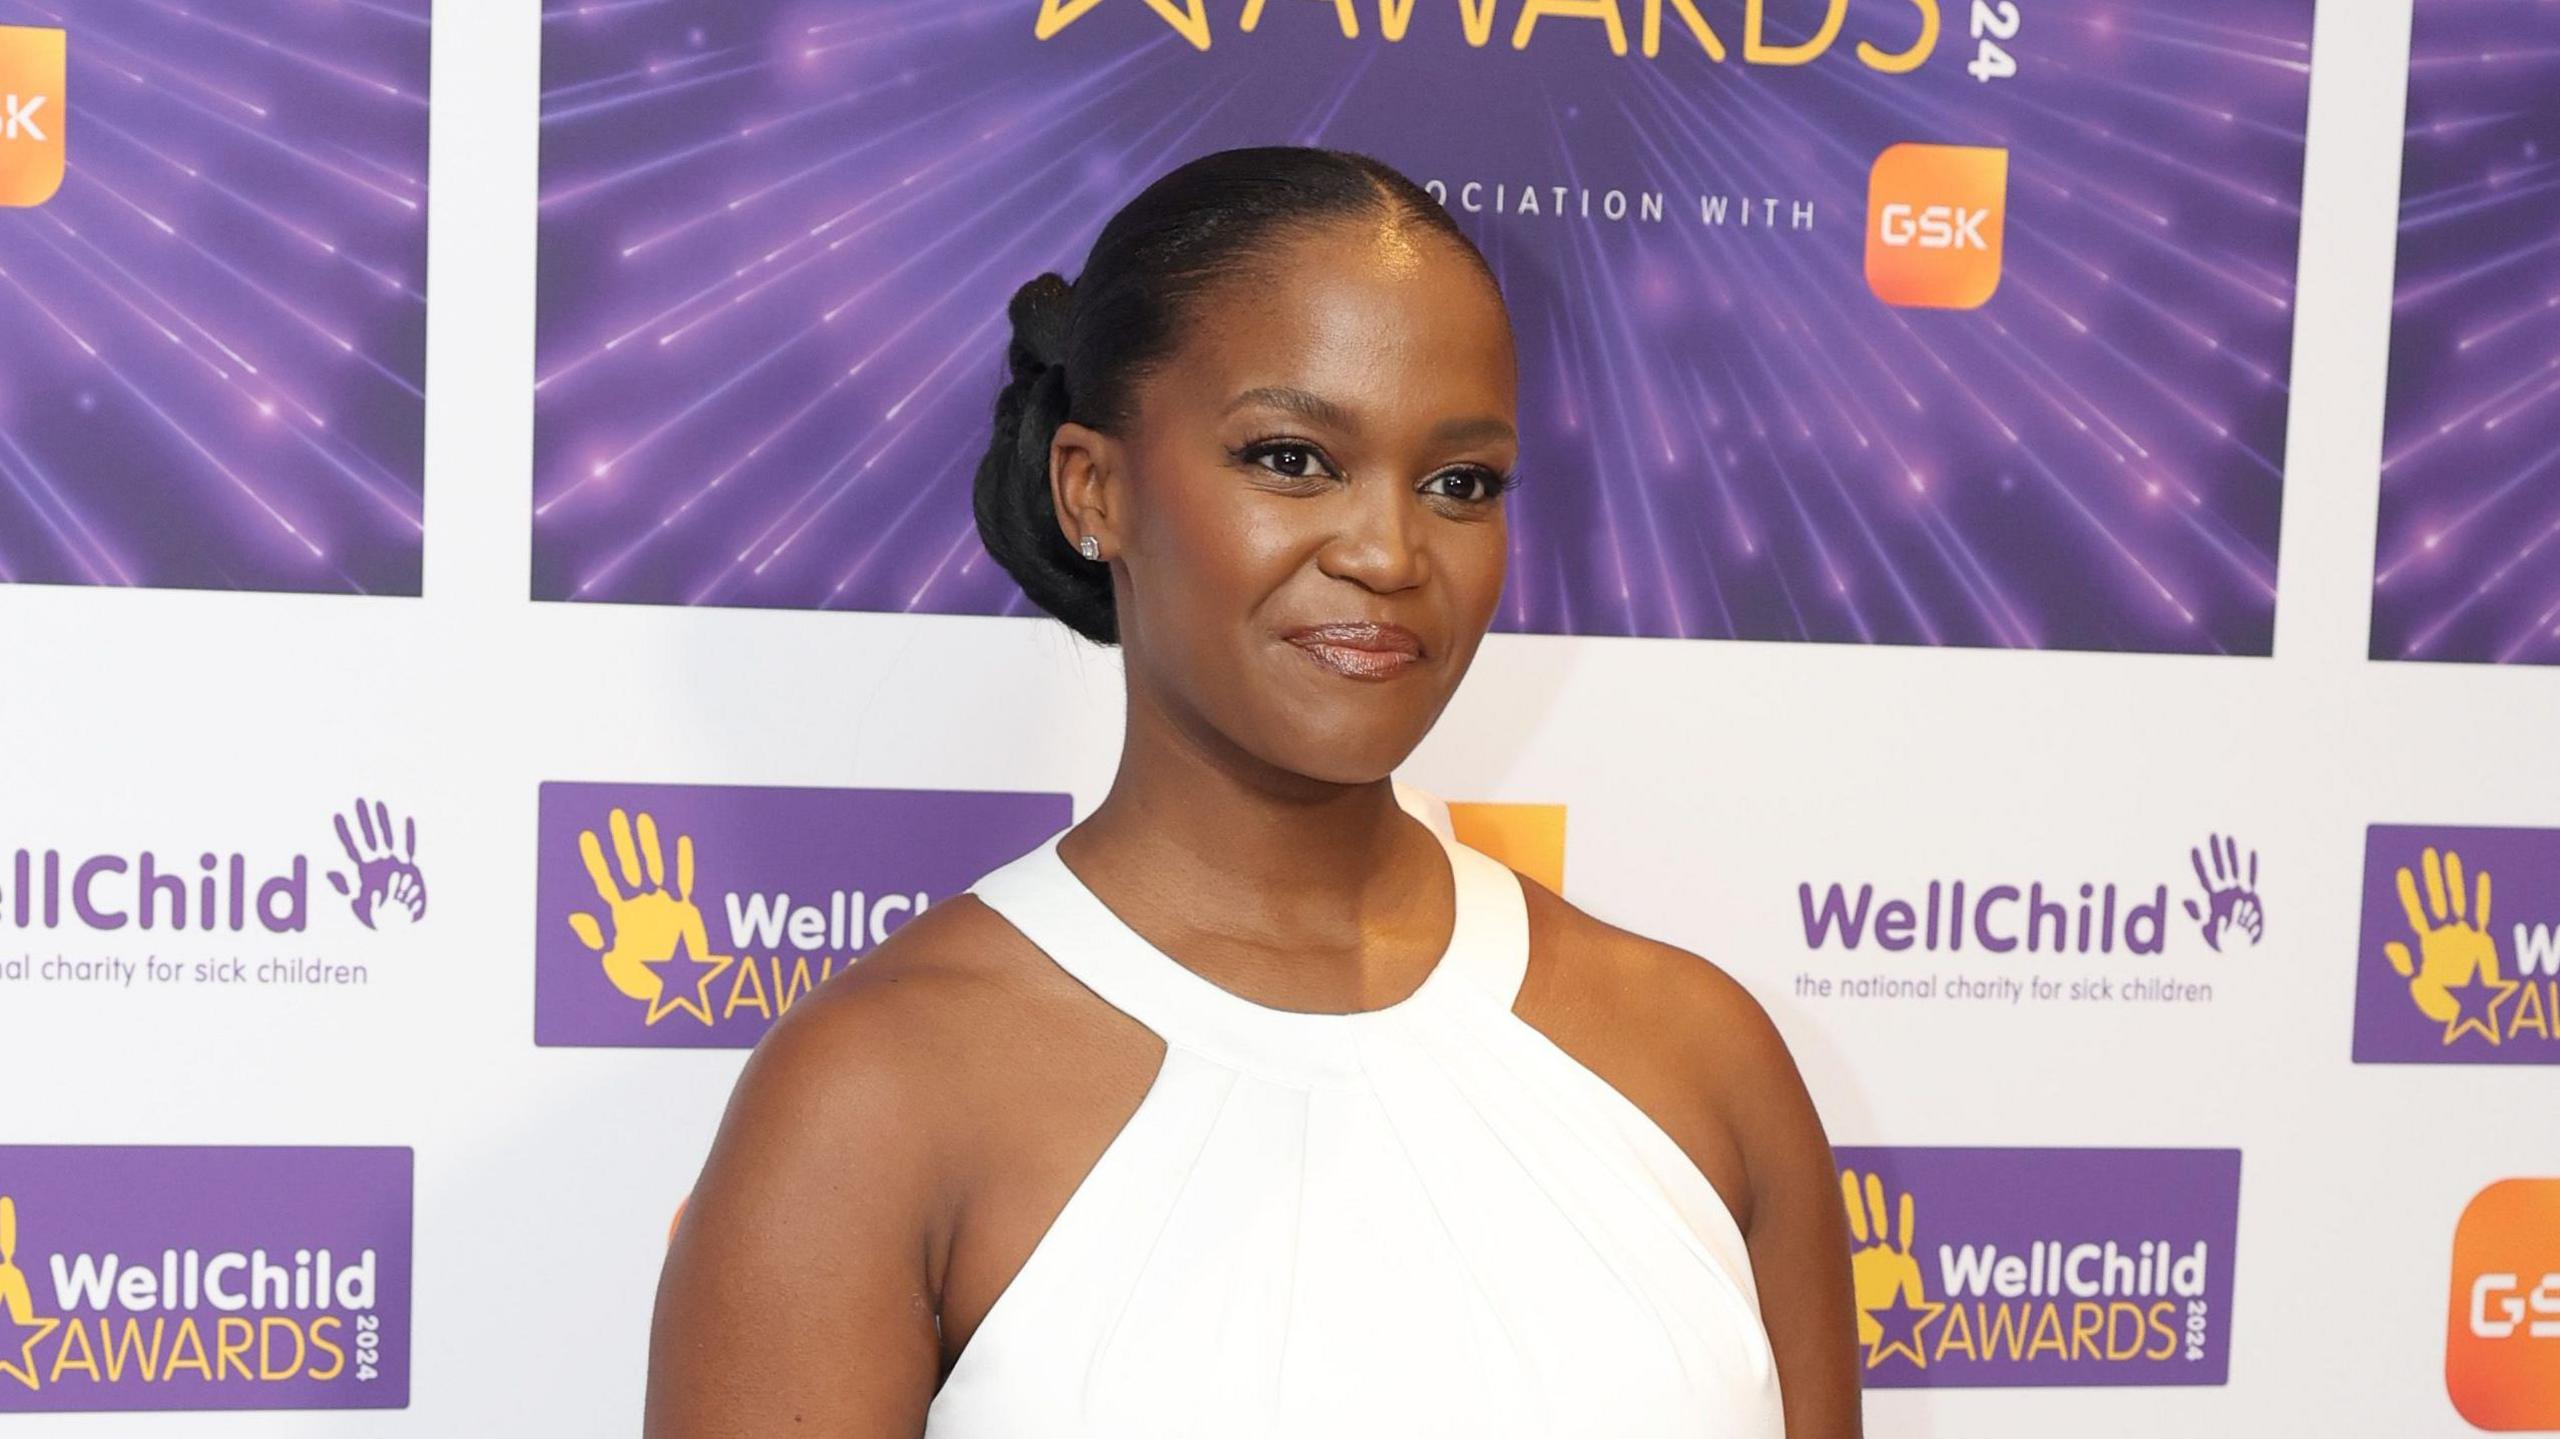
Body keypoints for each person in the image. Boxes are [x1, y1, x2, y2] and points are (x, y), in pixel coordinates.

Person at [644, 144, 1860, 1437]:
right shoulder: (871, 1099)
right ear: (1092, 488)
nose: (1390, 551)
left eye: (1461, 482)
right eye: (1292, 459)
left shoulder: (1705, 1060)